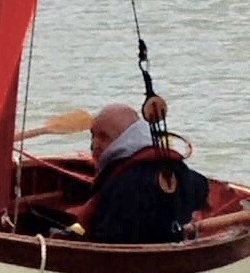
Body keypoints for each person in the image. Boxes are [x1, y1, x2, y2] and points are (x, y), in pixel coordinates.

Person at [81, 103, 209, 244]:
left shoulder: (121, 184)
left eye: (103, 137)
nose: (94, 144)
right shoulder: (175, 167)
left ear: (125, 138)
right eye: (93, 135)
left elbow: (107, 236)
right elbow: (203, 188)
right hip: (175, 239)